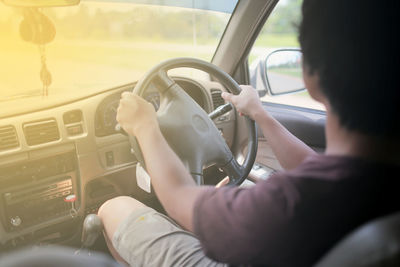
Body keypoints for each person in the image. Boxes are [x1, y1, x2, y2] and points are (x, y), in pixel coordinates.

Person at [98, 0, 400, 266]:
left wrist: (146, 127)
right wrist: (260, 114)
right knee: (239, 193)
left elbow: (179, 198)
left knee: (114, 208)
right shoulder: (360, 177)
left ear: (310, 71)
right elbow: (318, 166)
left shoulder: (290, 205)